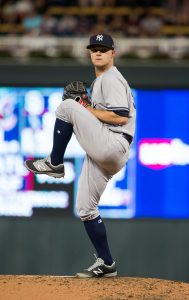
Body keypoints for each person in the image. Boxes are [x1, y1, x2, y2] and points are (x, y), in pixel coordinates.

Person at [24, 33, 136, 278]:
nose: (98, 52)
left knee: (67, 106)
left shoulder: (110, 78)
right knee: (86, 207)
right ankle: (107, 263)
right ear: (89, 52)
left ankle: (54, 162)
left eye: (103, 49)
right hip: (107, 151)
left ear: (113, 53)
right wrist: (88, 107)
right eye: (94, 48)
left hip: (112, 143)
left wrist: (83, 106)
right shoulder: (99, 83)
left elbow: (120, 116)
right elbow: (105, 115)